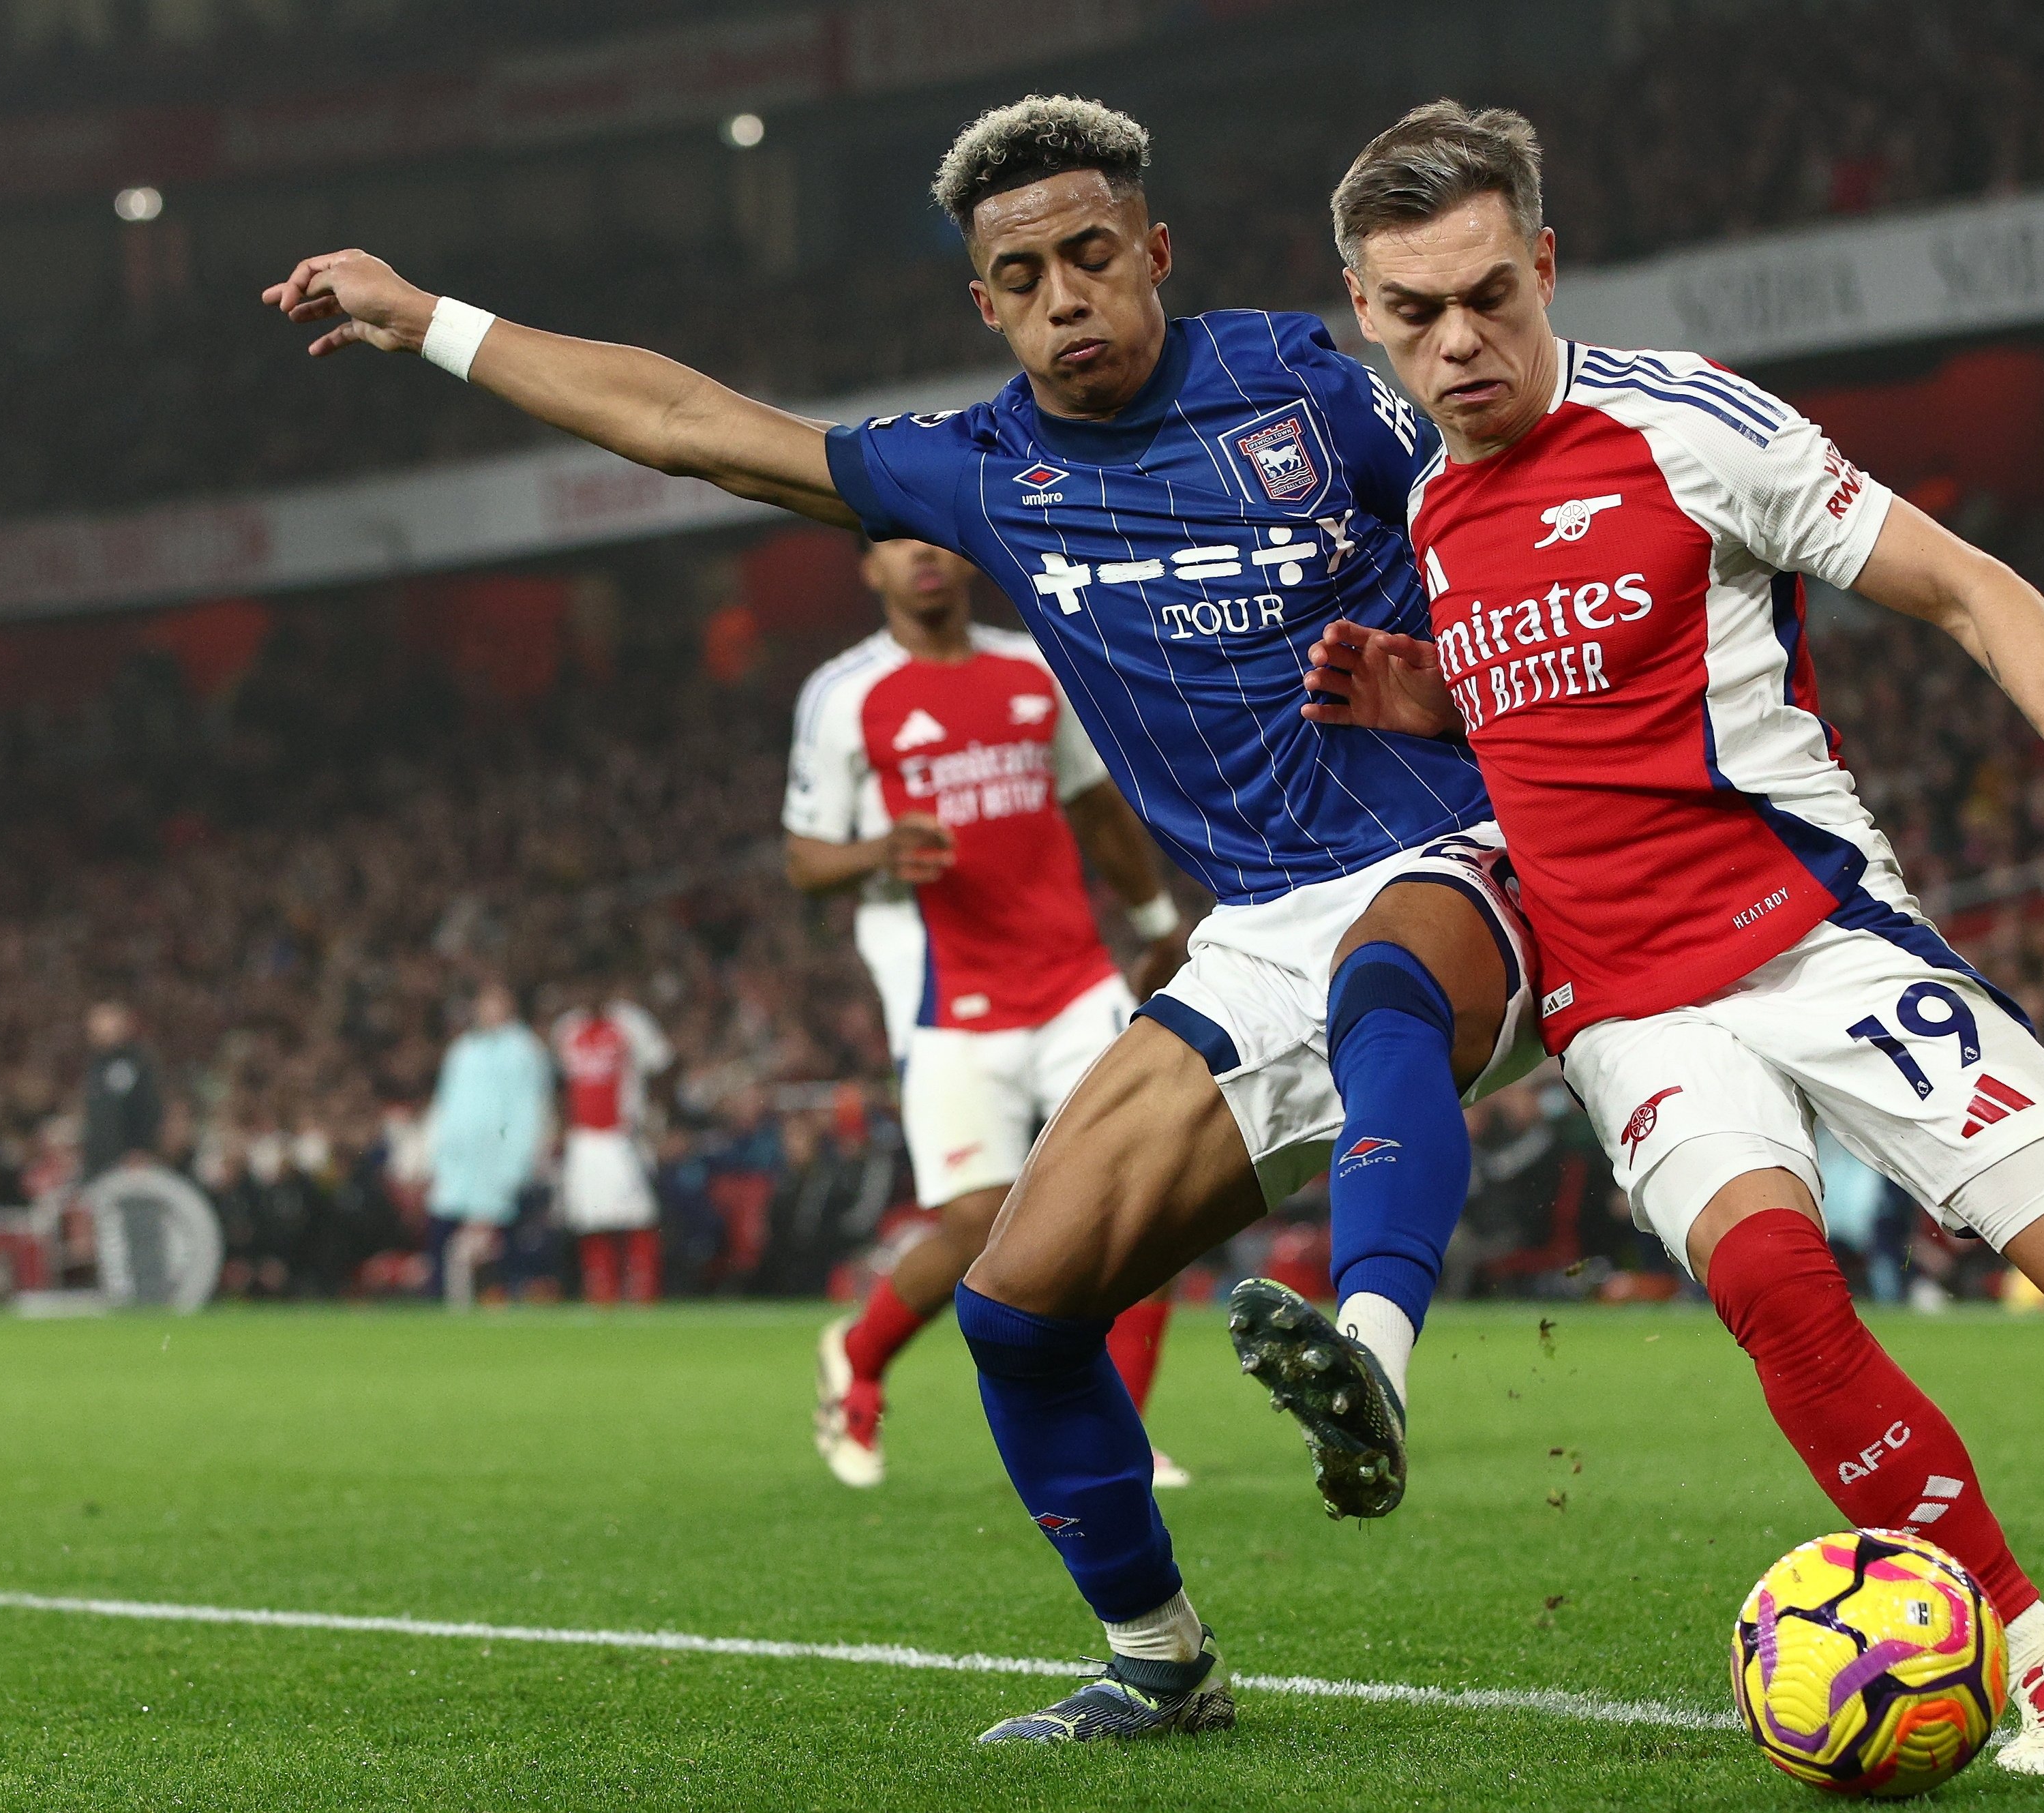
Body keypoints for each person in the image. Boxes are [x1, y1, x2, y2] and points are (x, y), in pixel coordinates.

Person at [262, 95, 1548, 1741]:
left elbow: (1515, 488)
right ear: (987, 305)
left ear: (1155, 253)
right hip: (1258, 931)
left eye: (1096, 254)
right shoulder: (981, 471)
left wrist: (1490, 692)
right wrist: (427, 317)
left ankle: (1372, 1346)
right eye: (1028, 274)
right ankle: (1158, 1657)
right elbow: (683, 422)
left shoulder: (1304, 385)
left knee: (1383, 989)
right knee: (1017, 1306)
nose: (1069, 295)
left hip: (1472, 851)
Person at [1302, 101, 2044, 1776]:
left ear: (1545, 265)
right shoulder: (1424, 513)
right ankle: (2031, 1643)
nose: (1459, 340)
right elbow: (1568, 725)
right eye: (1414, 313)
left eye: (1490, 293)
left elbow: (1976, 586)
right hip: (1624, 995)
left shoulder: (1690, 427)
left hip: (1817, 932)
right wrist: (1435, 698)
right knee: (1774, 1279)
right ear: (1365, 314)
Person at [786, 534, 1195, 1490]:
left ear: (965, 559)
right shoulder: (844, 692)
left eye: (935, 539)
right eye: (895, 543)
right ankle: (860, 1353)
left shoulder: (1032, 665)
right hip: (945, 997)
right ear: (870, 571)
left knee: (1146, 1201)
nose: (921, 556)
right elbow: (805, 860)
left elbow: (1094, 806)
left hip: (1072, 978)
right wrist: (876, 850)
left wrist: (1153, 922)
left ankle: (1118, 1439)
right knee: (978, 1226)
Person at [550, 972, 675, 1306]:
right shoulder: (567, 1029)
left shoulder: (631, 1023)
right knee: (590, 1219)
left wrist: (656, 1119)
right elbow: (563, 1084)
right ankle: (602, 1295)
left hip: (623, 1135)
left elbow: (663, 1066)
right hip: (583, 1138)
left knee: (639, 1216)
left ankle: (643, 1293)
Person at [426, 981, 552, 1310]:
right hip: (462, 1161)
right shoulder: (462, 1051)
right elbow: (446, 1105)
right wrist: (441, 1153)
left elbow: (530, 1108)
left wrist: (520, 1157)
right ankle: (457, 1303)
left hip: (502, 1160)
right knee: (461, 1236)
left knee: (501, 1239)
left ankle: (501, 1299)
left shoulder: (524, 1050)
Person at [78, 1002, 162, 1183]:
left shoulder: (135, 1063)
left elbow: (146, 1107)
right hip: (99, 1160)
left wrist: (141, 1148)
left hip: (128, 1162)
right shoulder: (98, 1064)